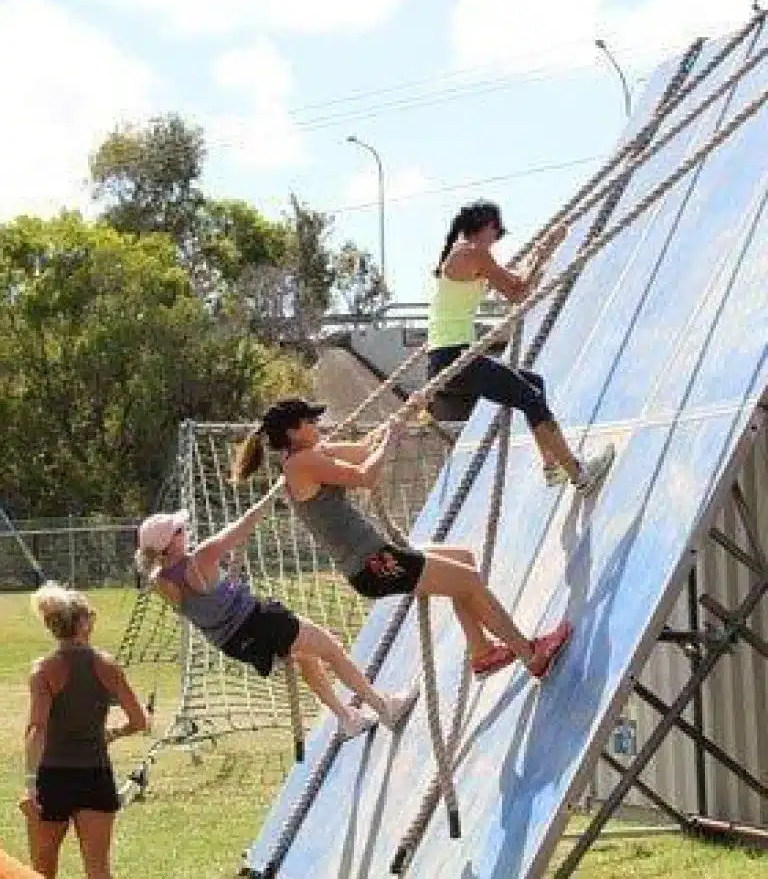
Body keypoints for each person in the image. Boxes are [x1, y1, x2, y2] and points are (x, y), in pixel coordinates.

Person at [231, 398, 573, 681]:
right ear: (293, 431)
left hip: (379, 557)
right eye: (311, 421)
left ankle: (482, 653)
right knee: (467, 581)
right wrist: (393, 438)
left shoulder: (309, 454)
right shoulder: (301, 464)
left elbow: (364, 450)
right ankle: (531, 656)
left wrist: (403, 415)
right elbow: (366, 476)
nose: (318, 425)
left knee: (463, 561)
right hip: (373, 564)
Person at [135, 505, 415, 742]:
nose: (186, 532)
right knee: (330, 648)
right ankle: (383, 707)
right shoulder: (202, 556)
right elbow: (243, 526)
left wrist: (227, 582)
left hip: (234, 643)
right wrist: (267, 502)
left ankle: (346, 719)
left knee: (307, 658)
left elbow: (206, 599)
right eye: (179, 531)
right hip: (259, 620)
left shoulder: (159, 581)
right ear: (168, 543)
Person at [427, 199, 614, 493]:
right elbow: (518, 293)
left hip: (447, 360)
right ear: (486, 226)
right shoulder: (474, 252)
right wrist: (545, 253)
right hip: (457, 357)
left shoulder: (462, 256)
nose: (496, 240)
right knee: (531, 399)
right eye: (497, 232)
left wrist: (540, 258)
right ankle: (578, 474)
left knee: (533, 384)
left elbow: (517, 287)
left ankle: (551, 465)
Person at [21, 583, 148, 879]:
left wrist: (30, 786)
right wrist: (113, 733)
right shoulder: (109, 667)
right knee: (98, 869)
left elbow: (36, 729)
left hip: (52, 777)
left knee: (42, 869)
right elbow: (140, 722)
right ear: (83, 623)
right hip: (95, 775)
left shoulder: (43, 670)